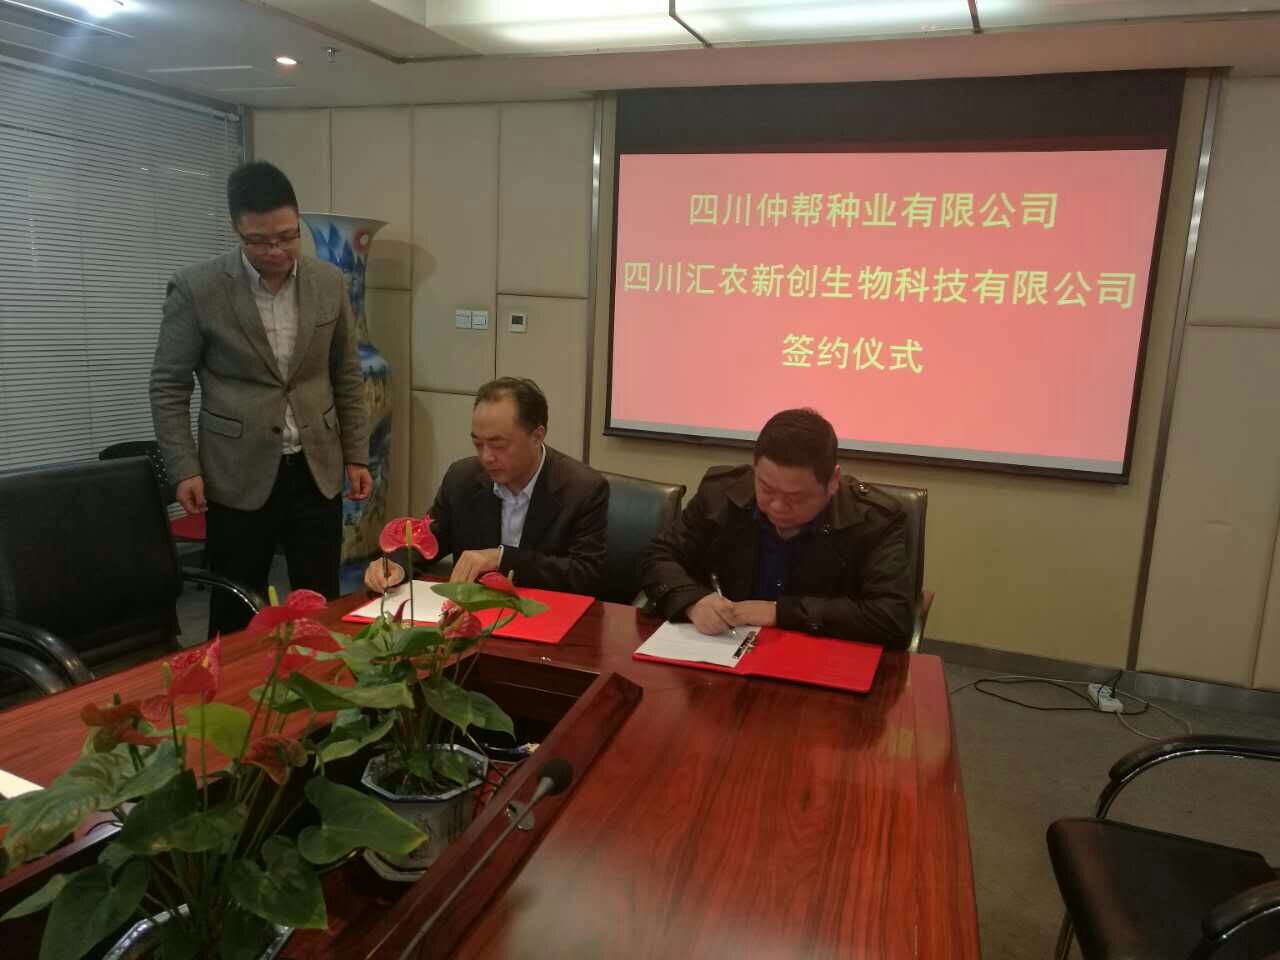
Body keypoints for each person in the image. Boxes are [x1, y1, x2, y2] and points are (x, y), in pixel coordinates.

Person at [150, 161, 371, 636]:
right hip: (236, 470)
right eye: (260, 241)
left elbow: (347, 374)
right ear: (236, 229)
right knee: (236, 603)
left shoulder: (328, 282)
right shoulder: (197, 288)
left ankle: (321, 679)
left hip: (316, 468)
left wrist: (357, 455)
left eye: (288, 237)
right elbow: (169, 384)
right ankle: (234, 681)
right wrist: (185, 467)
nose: (277, 251)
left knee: (320, 599)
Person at [639, 408, 913, 648]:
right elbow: (659, 556)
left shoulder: (874, 521)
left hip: (816, 662)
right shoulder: (720, 494)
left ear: (833, 481)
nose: (778, 506)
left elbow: (893, 617)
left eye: (796, 497)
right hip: (723, 652)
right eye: (767, 489)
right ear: (755, 468)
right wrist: (692, 601)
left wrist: (779, 612)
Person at [364, 377, 608, 596]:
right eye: (478, 444)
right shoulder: (462, 478)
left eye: (498, 445)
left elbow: (585, 576)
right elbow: (428, 539)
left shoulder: (582, 489)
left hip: (548, 616)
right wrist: (394, 564)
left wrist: (502, 559)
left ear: (537, 437)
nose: (486, 457)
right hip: (474, 619)